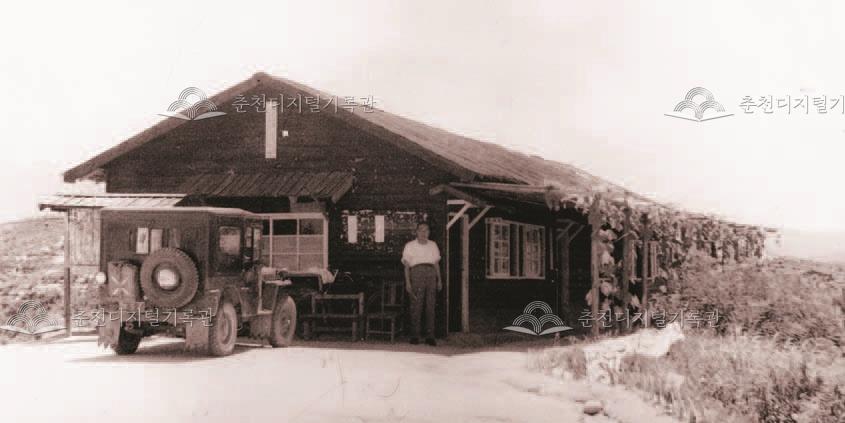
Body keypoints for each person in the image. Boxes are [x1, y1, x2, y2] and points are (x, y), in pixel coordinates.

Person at [401, 222, 442, 346]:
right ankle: (415, 336)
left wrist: (439, 279)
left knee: (430, 306)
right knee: (416, 305)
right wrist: (408, 282)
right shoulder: (410, 246)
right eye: (421, 230)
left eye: (426, 230)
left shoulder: (433, 245)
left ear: (429, 232)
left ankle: (430, 336)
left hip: (431, 274)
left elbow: (436, 264)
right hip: (416, 273)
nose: (423, 233)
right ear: (416, 232)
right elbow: (406, 267)